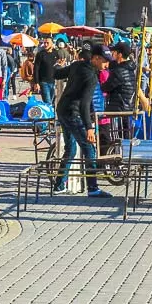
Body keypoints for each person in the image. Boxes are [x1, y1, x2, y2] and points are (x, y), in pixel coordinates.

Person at [52, 46, 112, 198]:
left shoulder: (77, 65)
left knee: (71, 149)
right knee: (89, 148)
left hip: (62, 109)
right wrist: (89, 127)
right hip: (74, 113)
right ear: (96, 58)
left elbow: (57, 74)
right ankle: (93, 188)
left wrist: (57, 65)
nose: (106, 65)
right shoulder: (91, 77)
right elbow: (85, 104)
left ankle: (59, 185)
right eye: (105, 62)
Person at [101, 42, 137, 137]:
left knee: (116, 136)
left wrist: (100, 84)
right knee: (125, 135)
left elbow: (107, 87)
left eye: (114, 52)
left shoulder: (119, 71)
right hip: (128, 107)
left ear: (119, 54)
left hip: (118, 108)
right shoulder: (129, 69)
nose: (112, 55)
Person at [33, 36, 60, 105]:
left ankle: (52, 115)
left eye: (47, 43)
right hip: (43, 82)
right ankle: (50, 115)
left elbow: (57, 66)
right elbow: (36, 69)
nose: (45, 44)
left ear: (52, 44)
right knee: (48, 102)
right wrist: (36, 83)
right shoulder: (40, 54)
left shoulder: (55, 53)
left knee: (53, 102)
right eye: (44, 43)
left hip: (53, 82)